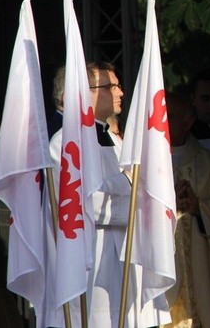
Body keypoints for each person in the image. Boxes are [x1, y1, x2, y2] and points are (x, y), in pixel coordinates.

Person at [47, 61, 170, 327]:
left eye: (117, 85)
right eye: (109, 86)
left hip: (128, 264)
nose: (120, 92)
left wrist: (129, 189)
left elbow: (144, 193)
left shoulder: (118, 142)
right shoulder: (63, 144)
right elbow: (87, 202)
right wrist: (128, 185)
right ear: (75, 95)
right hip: (93, 267)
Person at [165, 92, 210, 328]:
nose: (162, 120)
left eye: (170, 116)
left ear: (188, 121)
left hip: (204, 261)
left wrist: (199, 207)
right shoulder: (143, 164)